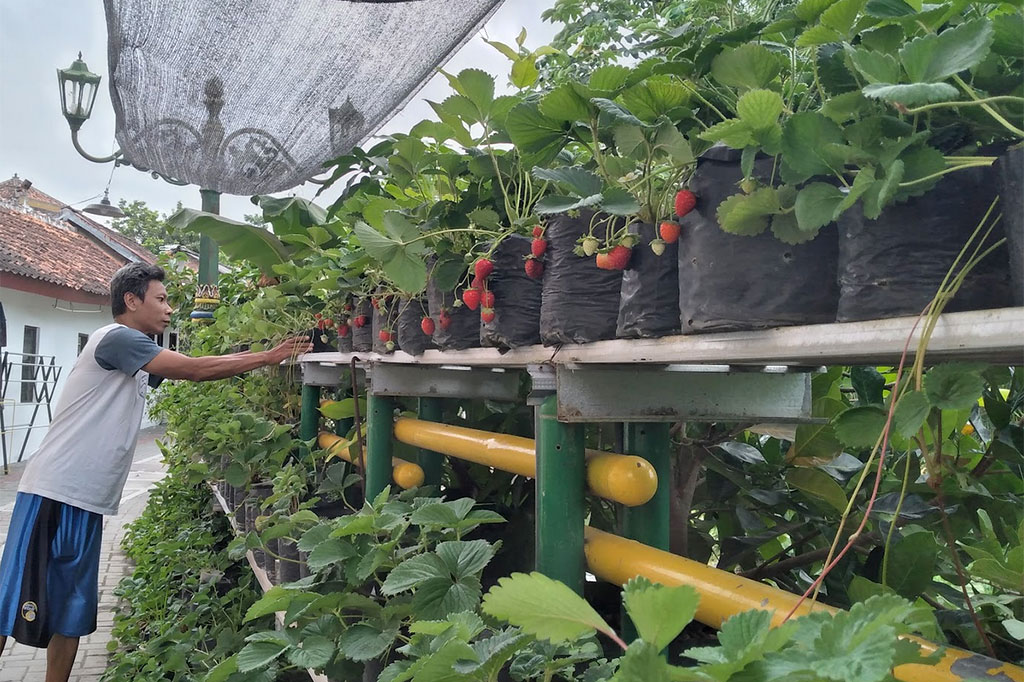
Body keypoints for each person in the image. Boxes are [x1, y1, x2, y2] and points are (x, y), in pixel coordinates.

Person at [0, 262, 310, 680]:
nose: (169, 311)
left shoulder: (137, 352)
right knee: (12, 599)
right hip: (54, 491)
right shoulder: (118, 340)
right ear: (131, 301)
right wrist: (269, 356)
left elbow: (193, 363)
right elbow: (195, 369)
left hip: (85, 499)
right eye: (161, 300)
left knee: (71, 608)